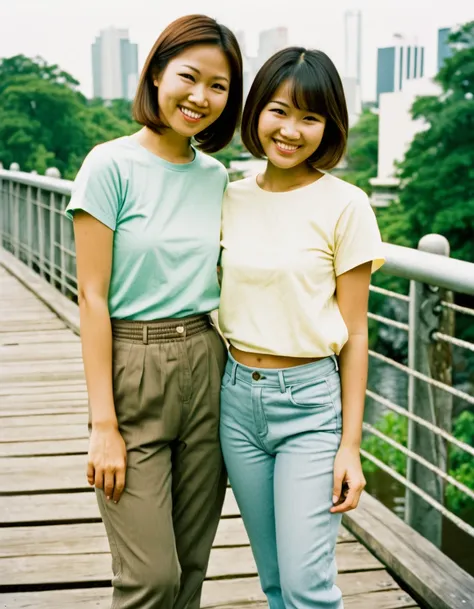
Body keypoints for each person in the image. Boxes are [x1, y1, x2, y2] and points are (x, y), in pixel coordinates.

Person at [65, 14, 242, 609]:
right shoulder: (108, 165)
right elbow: (91, 297)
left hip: (206, 358)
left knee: (191, 569)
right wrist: (103, 426)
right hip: (131, 362)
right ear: (157, 74)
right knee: (150, 580)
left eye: (218, 86)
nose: (201, 97)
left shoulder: (217, 177)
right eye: (189, 77)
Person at [218, 47, 385, 609]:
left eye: (310, 118)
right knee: (273, 582)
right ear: (256, 112)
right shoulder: (228, 195)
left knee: (307, 587)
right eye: (279, 111)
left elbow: (356, 334)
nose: (291, 131)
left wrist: (350, 447)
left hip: (310, 406)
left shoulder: (347, 205)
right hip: (237, 399)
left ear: (329, 126)